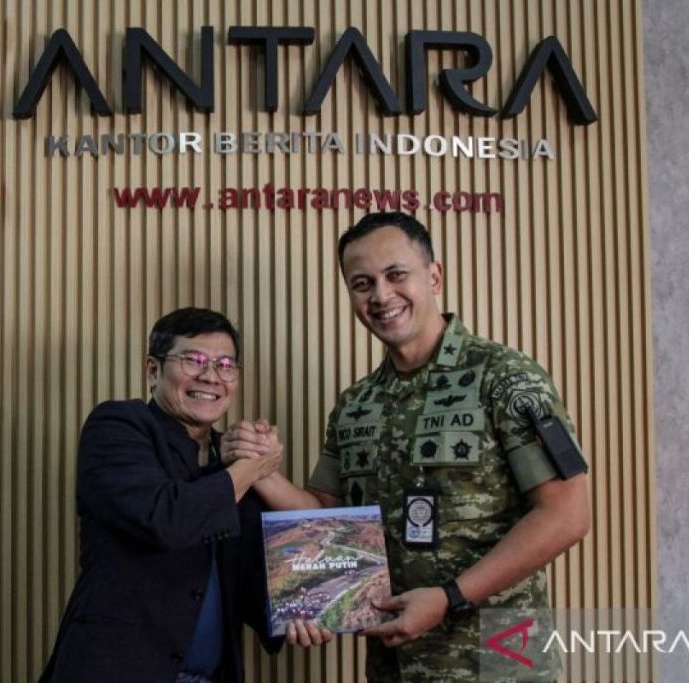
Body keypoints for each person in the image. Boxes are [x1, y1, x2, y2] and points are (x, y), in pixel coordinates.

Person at [222, 212, 591, 682]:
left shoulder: (504, 377)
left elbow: (566, 515)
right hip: (393, 665)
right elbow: (327, 518)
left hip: (497, 663)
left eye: (396, 274)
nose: (380, 295)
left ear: (434, 276)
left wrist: (449, 597)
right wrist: (260, 469)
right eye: (362, 283)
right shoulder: (356, 405)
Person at [40, 307, 284, 683]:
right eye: (193, 360)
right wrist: (252, 467)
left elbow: (252, 573)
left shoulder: (230, 457)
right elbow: (165, 518)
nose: (211, 376)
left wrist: (300, 612)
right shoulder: (117, 426)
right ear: (153, 370)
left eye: (225, 365)